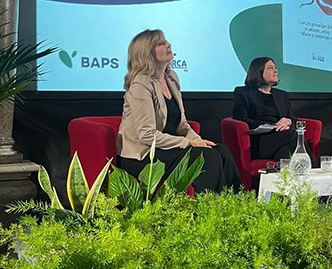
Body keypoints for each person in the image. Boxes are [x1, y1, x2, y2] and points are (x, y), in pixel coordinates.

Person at [117, 29, 241, 193]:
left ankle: (236, 202)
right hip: (142, 155)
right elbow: (146, 135)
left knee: (221, 151)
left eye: (166, 41)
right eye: (161, 43)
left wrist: (198, 141)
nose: (168, 44)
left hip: (167, 148)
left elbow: (182, 125)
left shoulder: (171, 78)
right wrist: (188, 143)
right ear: (147, 53)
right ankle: (207, 206)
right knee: (206, 158)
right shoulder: (141, 84)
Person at [232, 57, 297, 161]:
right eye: (270, 68)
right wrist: (273, 125)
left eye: (275, 67)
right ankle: (315, 167)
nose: (276, 71)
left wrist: (288, 122)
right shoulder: (243, 93)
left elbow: (293, 120)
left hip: (283, 138)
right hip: (259, 141)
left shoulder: (282, 95)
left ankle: (278, 166)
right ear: (258, 71)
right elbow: (240, 119)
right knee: (294, 134)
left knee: (286, 151)